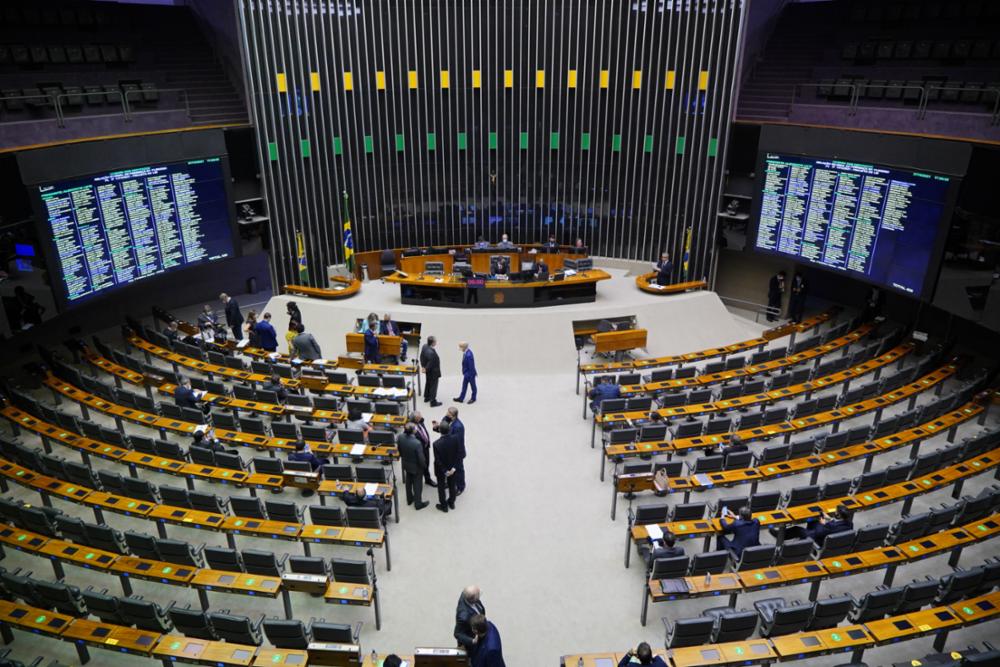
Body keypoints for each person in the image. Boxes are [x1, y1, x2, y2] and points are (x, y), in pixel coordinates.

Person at [434, 407, 466, 494]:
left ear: (453, 416)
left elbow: (458, 443)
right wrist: (437, 427)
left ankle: (460, 487)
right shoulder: (446, 419)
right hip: (448, 451)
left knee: (458, 469)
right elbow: (444, 431)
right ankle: (449, 483)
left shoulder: (458, 427)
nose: (446, 415)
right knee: (448, 468)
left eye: (448, 414)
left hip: (457, 453)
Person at [397, 423, 428, 509]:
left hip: (406, 464)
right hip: (416, 467)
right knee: (417, 485)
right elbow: (421, 458)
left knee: (408, 481)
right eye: (415, 428)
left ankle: (409, 499)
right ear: (413, 431)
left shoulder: (400, 437)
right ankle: (418, 504)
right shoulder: (417, 443)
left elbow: (399, 450)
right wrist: (424, 466)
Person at [433, 421, 460, 511]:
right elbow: (458, 454)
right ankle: (451, 503)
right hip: (452, 468)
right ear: (449, 430)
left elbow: (438, 460)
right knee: (452, 486)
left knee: (441, 487)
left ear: (440, 430)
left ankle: (444, 506)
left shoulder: (436, 444)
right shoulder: (456, 439)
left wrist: (445, 471)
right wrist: (453, 468)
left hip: (441, 470)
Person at [454, 586, 486, 651]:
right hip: (472, 646)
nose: (480, 594)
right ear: (473, 599)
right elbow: (457, 633)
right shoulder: (463, 616)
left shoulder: (465, 594)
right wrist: (472, 641)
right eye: (478, 594)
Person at [409, 411, 436, 488]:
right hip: (419, 451)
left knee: (427, 464)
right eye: (419, 417)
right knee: (421, 466)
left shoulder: (420, 421)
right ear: (415, 419)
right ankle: (420, 481)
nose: (421, 418)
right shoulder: (411, 428)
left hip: (426, 447)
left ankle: (427, 480)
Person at [420, 336, 442, 407]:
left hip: (428, 371)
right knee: (433, 386)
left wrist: (423, 366)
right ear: (433, 343)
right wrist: (425, 368)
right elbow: (431, 364)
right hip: (433, 372)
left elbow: (421, 356)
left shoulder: (424, 346)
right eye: (435, 341)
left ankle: (427, 397)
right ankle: (433, 401)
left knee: (428, 383)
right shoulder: (432, 353)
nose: (436, 342)